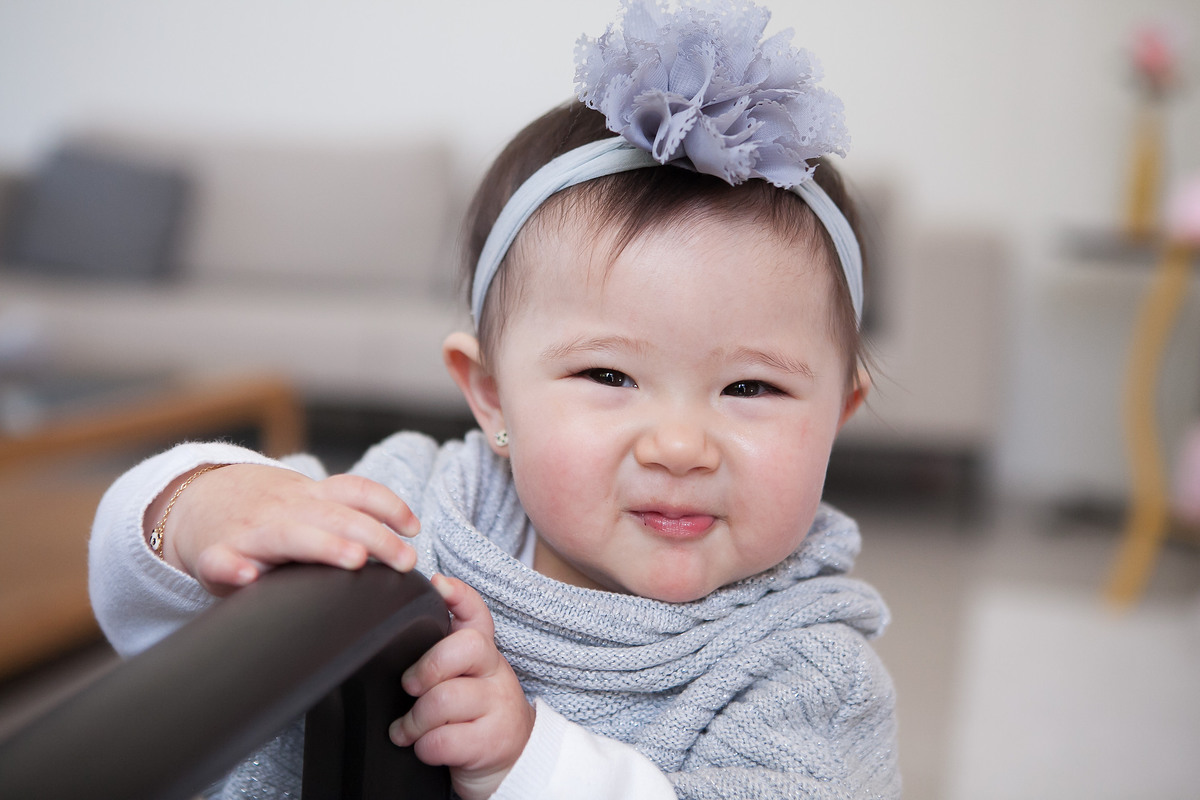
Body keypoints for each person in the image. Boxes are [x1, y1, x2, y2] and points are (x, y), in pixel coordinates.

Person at [89, 1, 900, 797]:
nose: (681, 447)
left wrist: (531, 765)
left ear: (838, 416)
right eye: (609, 377)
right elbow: (158, 630)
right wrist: (199, 510)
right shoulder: (414, 510)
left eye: (749, 386)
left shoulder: (808, 669)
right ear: (489, 395)